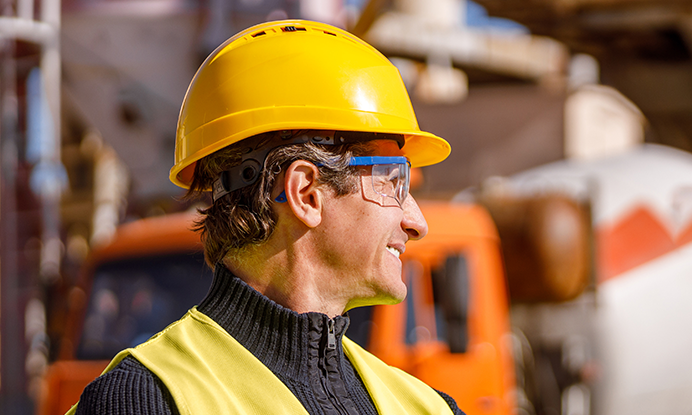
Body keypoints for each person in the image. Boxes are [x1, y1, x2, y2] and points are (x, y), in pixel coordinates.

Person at [70, 19, 461, 415]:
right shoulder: (143, 403)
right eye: (392, 181)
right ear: (305, 193)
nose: (416, 221)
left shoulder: (426, 406)